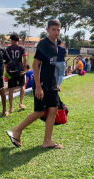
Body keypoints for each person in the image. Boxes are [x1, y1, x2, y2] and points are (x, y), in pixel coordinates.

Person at [7, 19, 63, 149]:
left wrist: (56, 84)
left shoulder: (55, 45)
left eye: (58, 30)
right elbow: (35, 64)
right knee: (39, 112)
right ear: (48, 30)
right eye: (54, 29)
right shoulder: (43, 44)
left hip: (52, 84)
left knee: (53, 110)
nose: (56, 32)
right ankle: (17, 130)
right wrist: (38, 86)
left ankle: (47, 141)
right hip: (42, 84)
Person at [6, 33, 28, 112]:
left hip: (11, 71)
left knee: (11, 89)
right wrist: (24, 70)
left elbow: (6, 62)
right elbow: (25, 59)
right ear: (18, 40)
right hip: (20, 70)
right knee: (22, 86)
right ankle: (21, 103)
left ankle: (11, 107)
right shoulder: (22, 48)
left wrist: (6, 72)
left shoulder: (8, 48)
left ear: (11, 40)